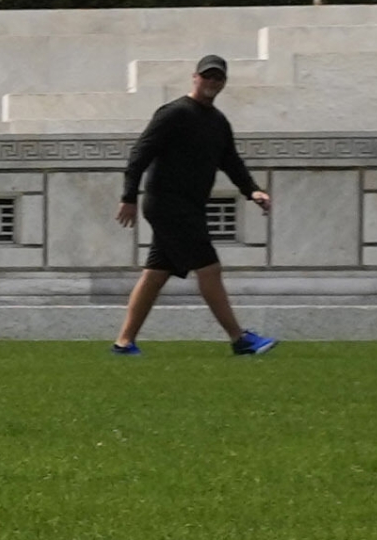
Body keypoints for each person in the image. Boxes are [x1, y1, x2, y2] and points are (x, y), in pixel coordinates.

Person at [111, 51, 275, 353]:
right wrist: (128, 197)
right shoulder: (174, 113)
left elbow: (230, 161)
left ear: (223, 82)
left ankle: (124, 342)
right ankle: (240, 339)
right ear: (194, 77)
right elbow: (140, 154)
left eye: (218, 77)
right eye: (207, 75)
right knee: (209, 268)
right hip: (167, 204)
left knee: (156, 274)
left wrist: (252, 190)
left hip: (189, 206)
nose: (212, 81)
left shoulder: (218, 121)